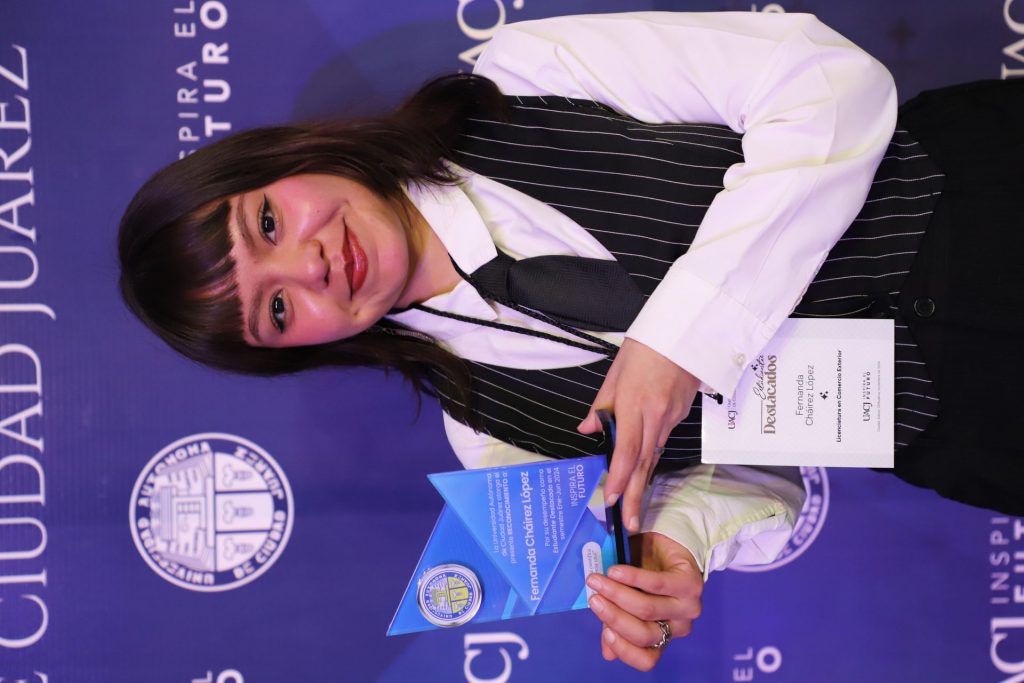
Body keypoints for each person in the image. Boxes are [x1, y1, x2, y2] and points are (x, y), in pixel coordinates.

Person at [118, 11, 1023, 671]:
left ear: (286, 158)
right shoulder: (489, 438)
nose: (309, 266)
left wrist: (683, 339)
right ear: (297, 350)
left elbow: (828, 83)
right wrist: (675, 548)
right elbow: (758, 483)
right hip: (977, 432)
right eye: (277, 311)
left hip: (985, 194)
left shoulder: (523, 76)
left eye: (267, 222)